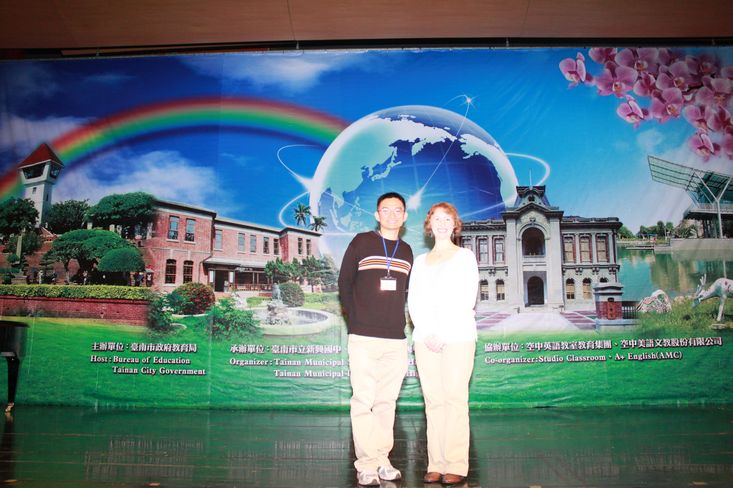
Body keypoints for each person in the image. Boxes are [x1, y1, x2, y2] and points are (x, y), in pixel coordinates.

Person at [338, 192, 414, 486]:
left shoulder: (407, 251)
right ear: (377, 214)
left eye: (398, 210)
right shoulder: (361, 242)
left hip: (395, 339)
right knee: (363, 401)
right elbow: (344, 283)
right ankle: (366, 464)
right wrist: (354, 319)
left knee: (386, 402)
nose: (392, 215)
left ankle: (382, 459)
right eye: (386, 209)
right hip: (363, 336)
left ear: (405, 216)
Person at [407, 202, 479, 485]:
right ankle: (436, 463)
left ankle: (456, 464)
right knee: (434, 402)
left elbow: (466, 298)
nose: (441, 223)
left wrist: (443, 333)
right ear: (429, 224)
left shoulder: (465, 257)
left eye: (447, 219)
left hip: (458, 337)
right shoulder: (420, 262)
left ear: (454, 224)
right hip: (425, 340)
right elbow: (414, 300)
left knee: (454, 400)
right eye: (436, 218)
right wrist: (427, 332)